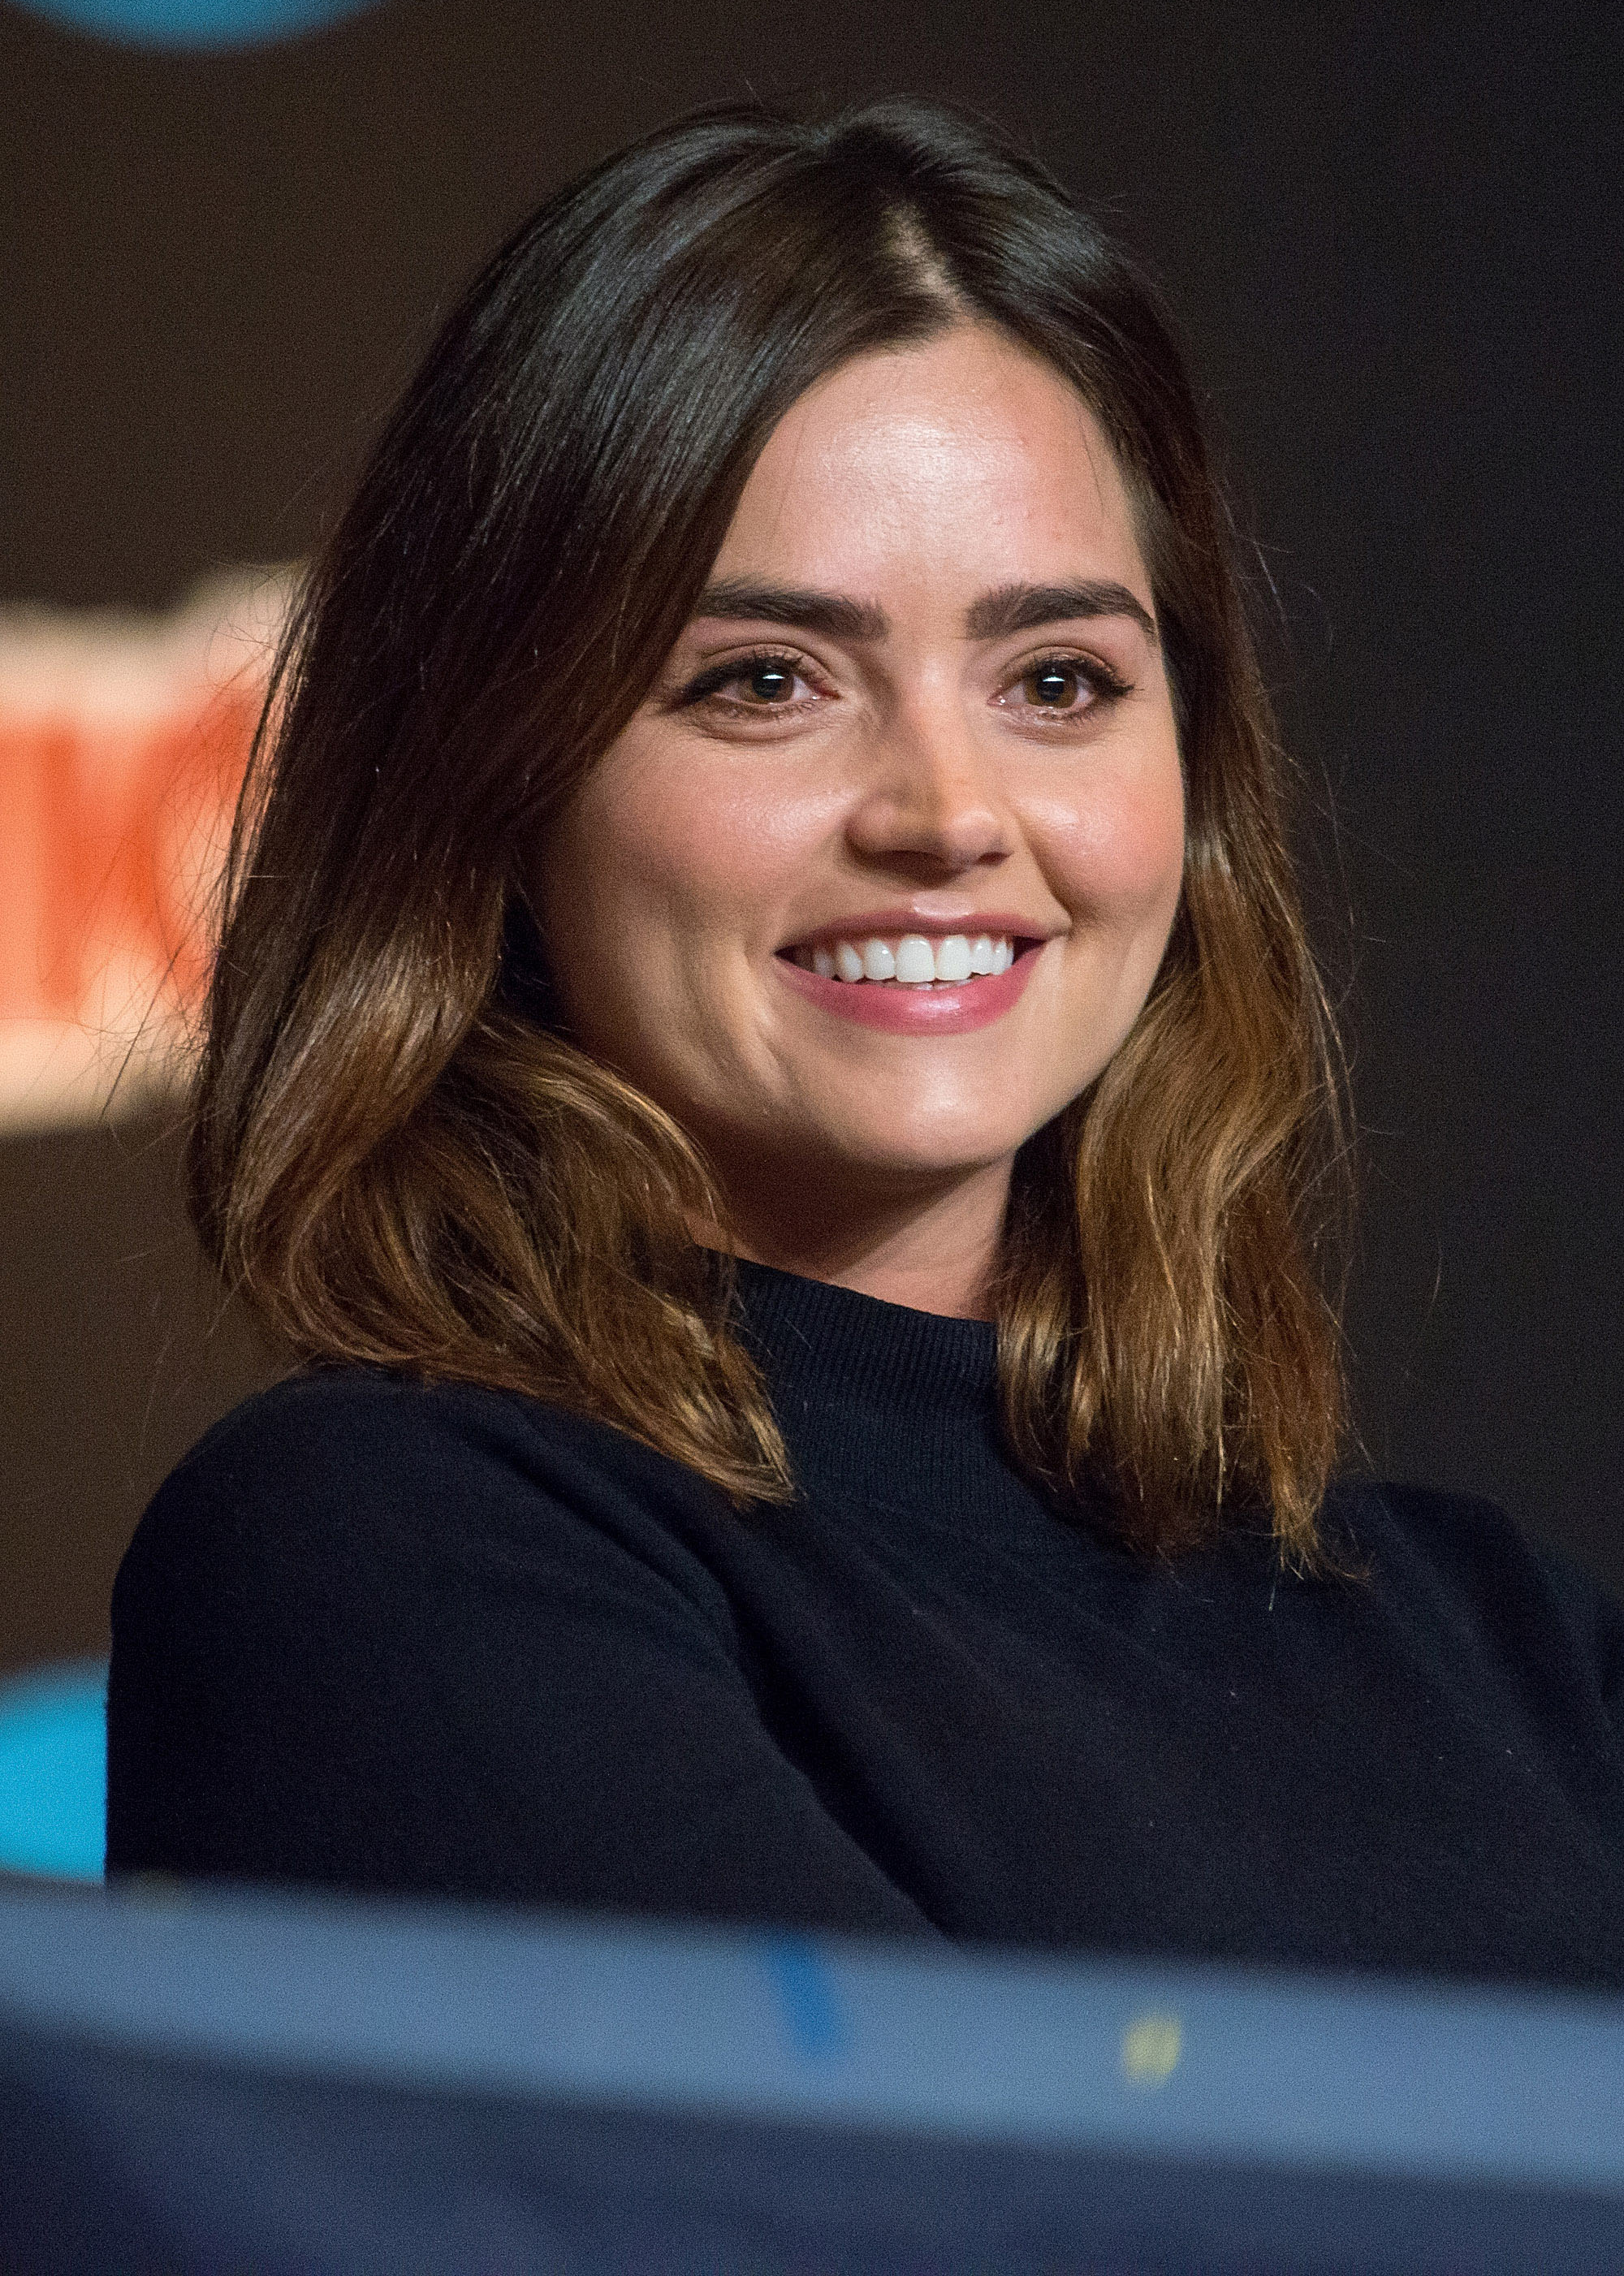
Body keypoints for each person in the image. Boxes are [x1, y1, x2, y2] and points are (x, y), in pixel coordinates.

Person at [106, 100, 1624, 1985]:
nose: (946, 811)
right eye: (766, 682)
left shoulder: (1518, 1654)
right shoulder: (382, 1550)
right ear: (494, 787)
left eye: (1054, 679)